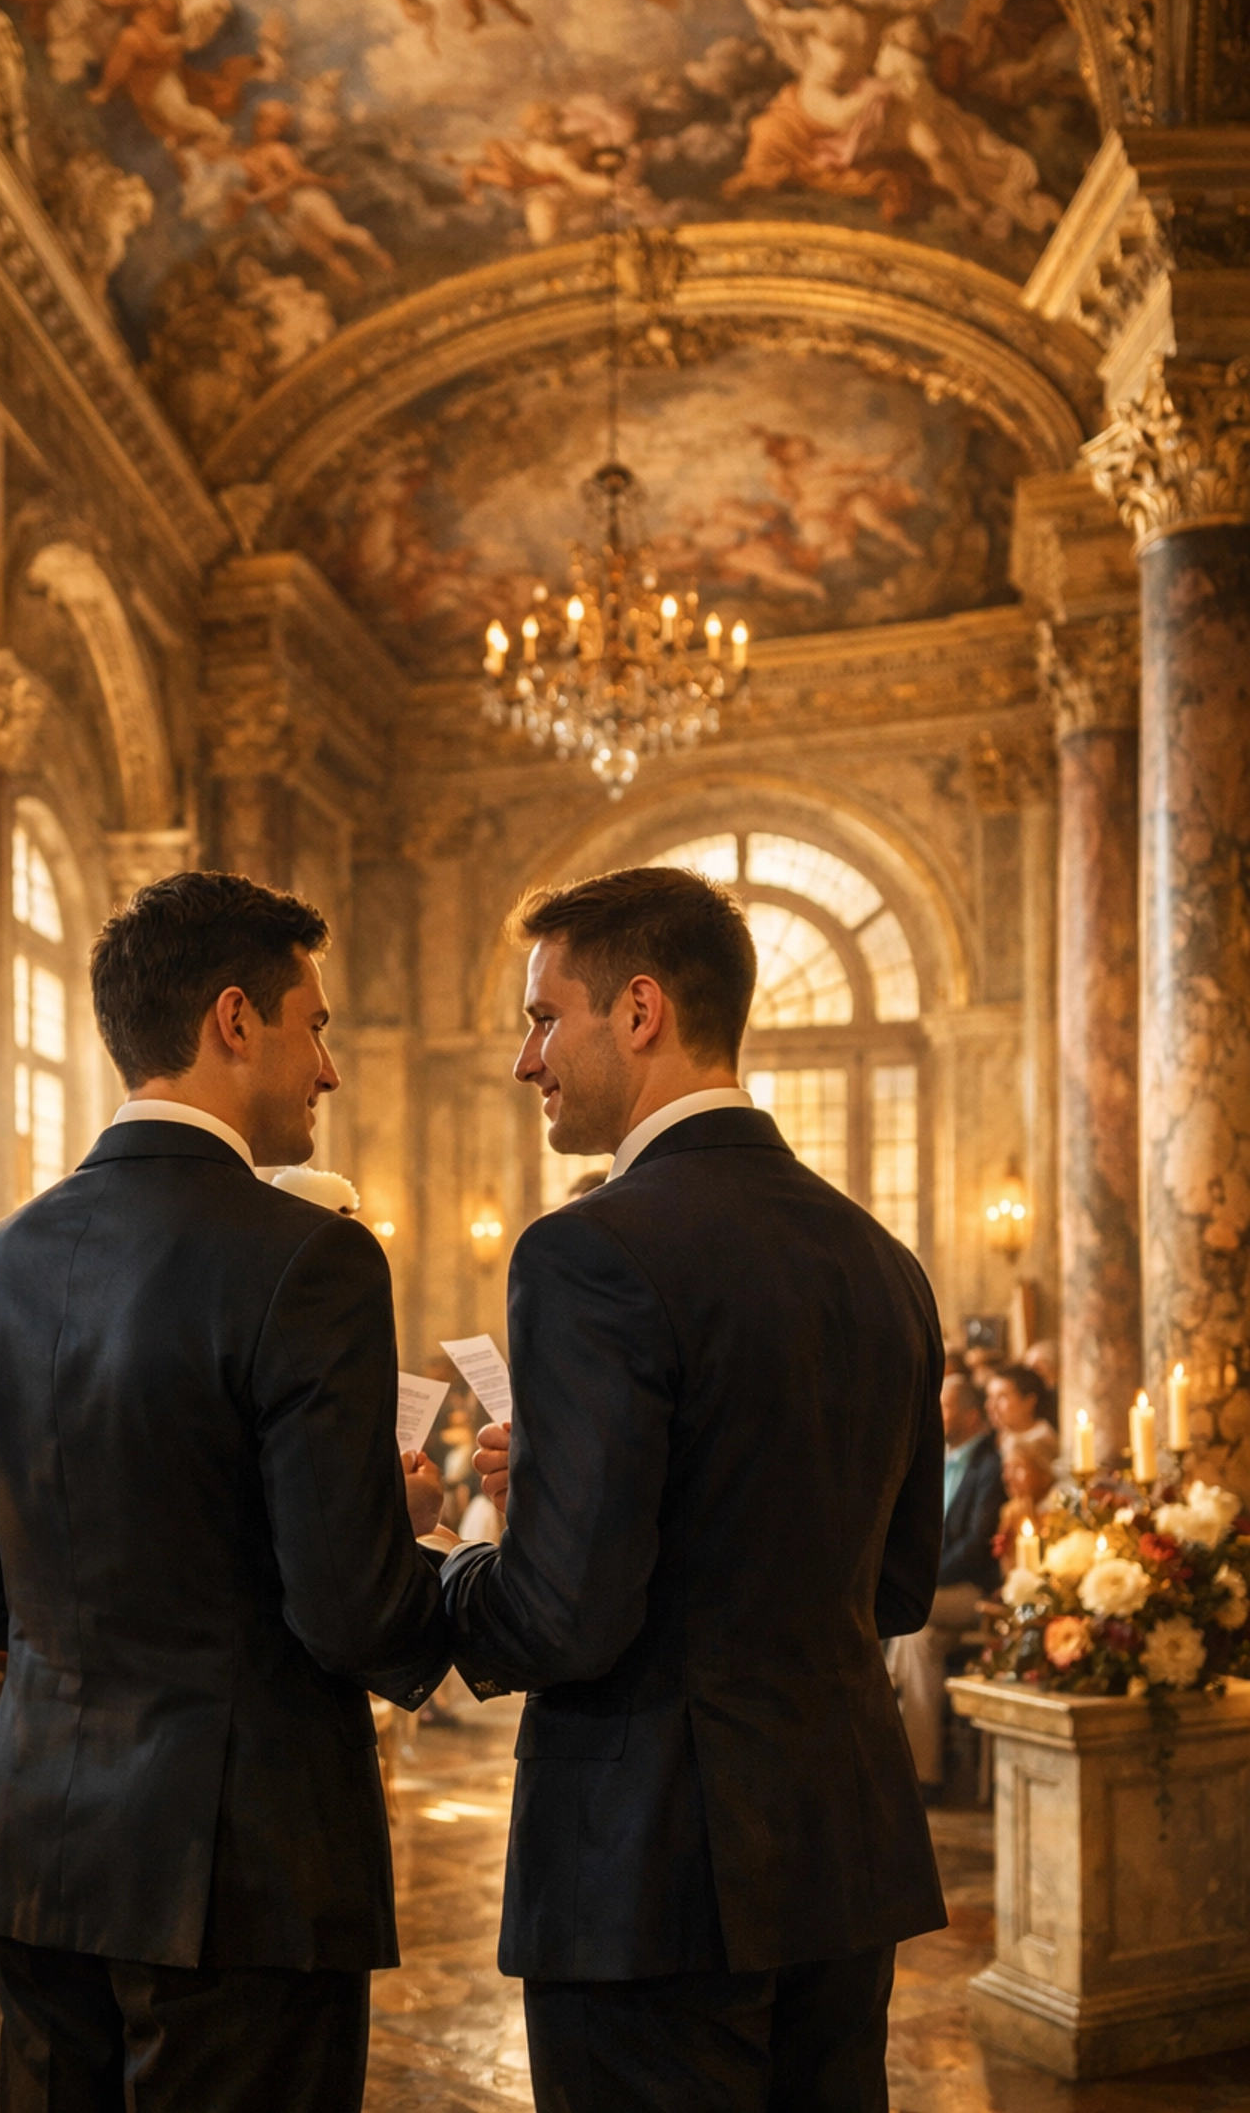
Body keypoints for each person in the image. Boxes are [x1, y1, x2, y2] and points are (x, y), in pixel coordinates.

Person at [0, 871, 453, 2113]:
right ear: (234, 1020)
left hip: (39, 1839)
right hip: (243, 1861)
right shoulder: (309, 1260)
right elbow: (344, 1612)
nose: (327, 1069)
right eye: (314, 1025)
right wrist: (408, 1541)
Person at [444, 866, 946, 2113]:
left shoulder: (588, 1249)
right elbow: (897, 1582)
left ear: (642, 1010)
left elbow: (568, 1618)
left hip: (649, 1866)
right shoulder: (883, 1262)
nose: (526, 1059)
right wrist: (565, 1486)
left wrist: (442, 1574)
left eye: (544, 1017)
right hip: (841, 1841)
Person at [884, 1370, 1005, 1798]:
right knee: (917, 1640)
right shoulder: (937, 1457)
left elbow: (977, 1543)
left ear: (972, 1416)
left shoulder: (991, 1464)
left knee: (887, 1604)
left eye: (947, 1405)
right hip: (935, 1596)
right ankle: (922, 1774)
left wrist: (920, 1576)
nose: (936, 1413)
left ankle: (877, 1713)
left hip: (970, 1589)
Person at [983, 1363, 1056, 1460]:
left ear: (1029, 1402)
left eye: (1002, 1397)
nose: (991, 1406)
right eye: (990, 1397)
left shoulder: (1043, 1443)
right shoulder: (1000, 1438)